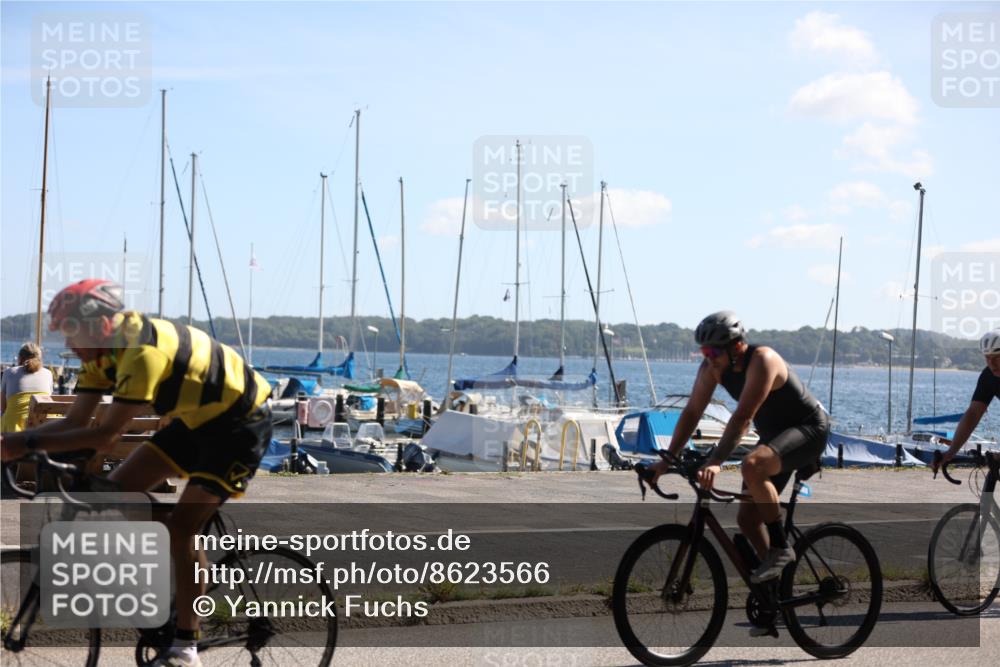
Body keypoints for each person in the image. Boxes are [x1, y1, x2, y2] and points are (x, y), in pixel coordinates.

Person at [0, 279, 272, 667]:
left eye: (72, 333)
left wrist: (23, 446)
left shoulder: (140, 352)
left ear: (99, 327)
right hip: (194, 422)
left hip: (239, 426)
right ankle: (174, 578)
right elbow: (75, 420)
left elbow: (107, 435)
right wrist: (13, 440)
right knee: (113, 493)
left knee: (182, 529)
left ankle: (186, 644)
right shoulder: (99, 357)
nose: (70, 346)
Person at [649, 312, 829, 589]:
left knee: (752, 465)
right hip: (775, 438)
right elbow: (692, 411)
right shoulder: (713, 368)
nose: (708, 358)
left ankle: (781, 548)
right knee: (747, 520)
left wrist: (716, 461)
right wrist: (666, 459)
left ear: (736, 347)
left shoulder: (763, 360)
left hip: (808, 430)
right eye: (704, 351)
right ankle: (773, 591)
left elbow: (743, 417)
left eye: (713, 351)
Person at [936, 328, 1000, 468]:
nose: (991, 364)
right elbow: (973, 413)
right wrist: (951, 452)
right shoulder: (988, 377)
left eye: (996, 358)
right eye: (987, 358)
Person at [1, 342, 54, 432]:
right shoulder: (48, 373)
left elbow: (3, 408)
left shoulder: (8, 373)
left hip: (15, 428)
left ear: (20, 358)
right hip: (44, 427)